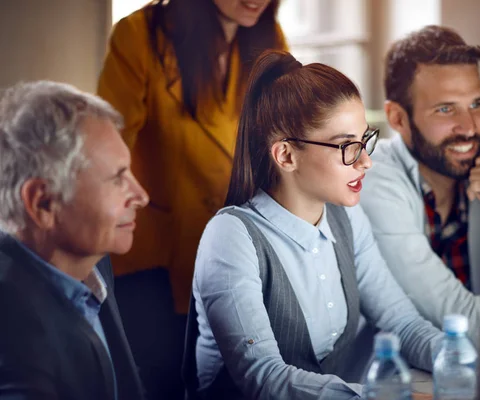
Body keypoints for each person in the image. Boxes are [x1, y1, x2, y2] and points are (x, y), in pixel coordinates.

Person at [187, 49, 444, 400]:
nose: (366, 161)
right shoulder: (231, 237)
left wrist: (463, 361)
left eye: (365, 140)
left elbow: (402, 321)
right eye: (347, 147)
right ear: (286, 156)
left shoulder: (347, 216)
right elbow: (263, 378)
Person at [97, 1, 287, 397]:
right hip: (156, 262)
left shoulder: (270, 40)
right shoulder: (141, 37)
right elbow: (106, 149)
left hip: (240, 249)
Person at [0, 81, 148, 400]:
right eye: (117, 179)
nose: (141, 196)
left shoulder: (92, 257)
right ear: (43, 203)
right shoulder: (12, 334)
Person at [360, 25, 480, 344]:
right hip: (394, 375)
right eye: (445, 109)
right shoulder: (375, 180)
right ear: (397, 119)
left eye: (476, 104)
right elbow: (459, 319)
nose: (469, 128)